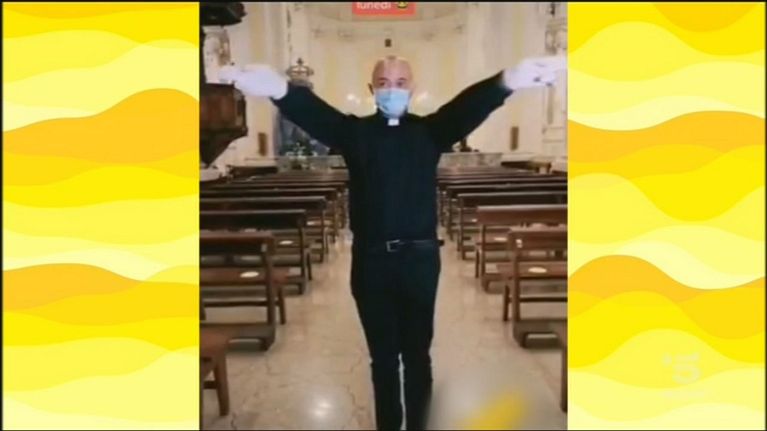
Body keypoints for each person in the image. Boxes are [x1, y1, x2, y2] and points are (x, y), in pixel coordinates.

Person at [220, 55, 564, 430]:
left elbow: (467, 108)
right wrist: (280, 90)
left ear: (412, 89)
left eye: (400, 82)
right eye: (384, 83)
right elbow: (316, 115)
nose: (392, 89)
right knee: (382, 360)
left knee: (418, 357)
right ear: (372, 90)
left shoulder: (430, 131)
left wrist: (506, 81)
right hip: (371, 263)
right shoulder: (355, 134)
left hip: (420, 262)